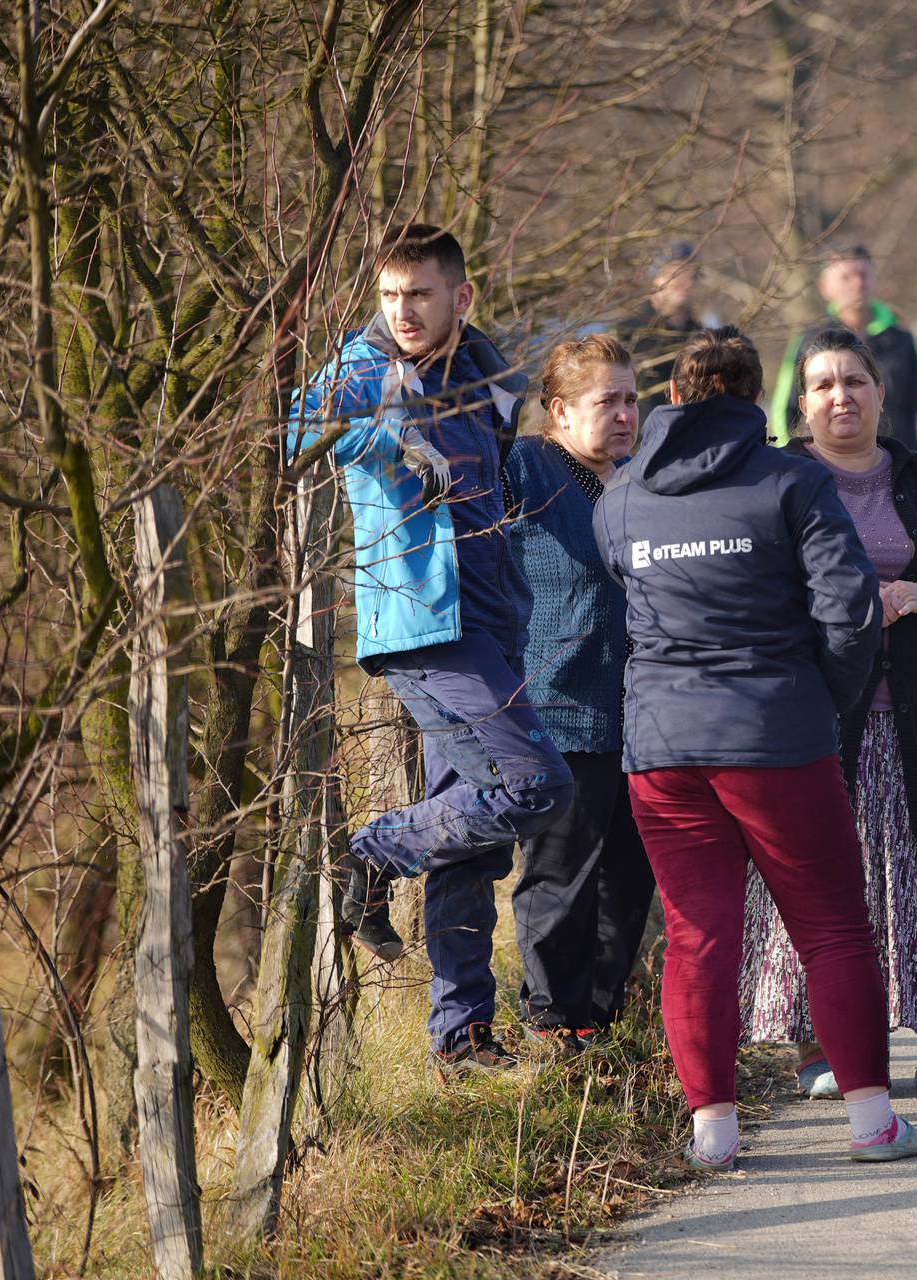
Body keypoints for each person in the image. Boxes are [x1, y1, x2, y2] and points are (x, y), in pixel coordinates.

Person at [594, 327, 917, 1168]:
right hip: (777, 739)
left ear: (674, 397)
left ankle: (712, 1131)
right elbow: (849, 609)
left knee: (696, 936)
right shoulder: (794, 479)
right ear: (757, 400)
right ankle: (871, 1125)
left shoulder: (624, 495)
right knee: (832, 929)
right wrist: (824, 700)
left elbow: (622, 604)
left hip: (663, 749)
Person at [287, 224, 572, 1080]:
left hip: (495, 619)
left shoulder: (486, 372)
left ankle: (461, 1039)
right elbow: (291, 433)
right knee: (534, 784)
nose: (402, 311)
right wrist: (385, 436)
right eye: (388, 295)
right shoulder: (366, 367)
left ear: (460, 296)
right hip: (424, 626)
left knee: (475, 838)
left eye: (418, 293)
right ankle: (373, 850)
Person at [742, 327, 917, 1099]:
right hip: (816, 720)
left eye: (855, 381)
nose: (841, 397)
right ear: (801, 402)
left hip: (913, 716)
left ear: (881, 392)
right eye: (824, 384)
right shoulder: (781, 478)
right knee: (819, 879)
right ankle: (817, 1051)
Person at [498, 333, 657, 1053]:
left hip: (640, 717)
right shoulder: (527, 467)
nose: (624, 414)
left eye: (631, 398)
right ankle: (550, 1021)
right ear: (559, 410)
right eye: (607, 401)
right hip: (557, 709)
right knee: (560, 876)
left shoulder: (637, 480)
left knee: (629, 878)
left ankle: (600, 1020)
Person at [766, 244, 917, 448]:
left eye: (863, 274)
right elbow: (784, 409)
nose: (858, 283)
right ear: (825, 287)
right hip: (825, 468)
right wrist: (790, 462)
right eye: (846, 277)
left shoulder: (902, 340)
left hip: (896, 466)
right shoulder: (808, 342)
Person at [626, 241, 704, 420]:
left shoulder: (703, 339)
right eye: (675, 273)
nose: (685, 282)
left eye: (692, 274)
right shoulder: (628, 333)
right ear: (656, 278)